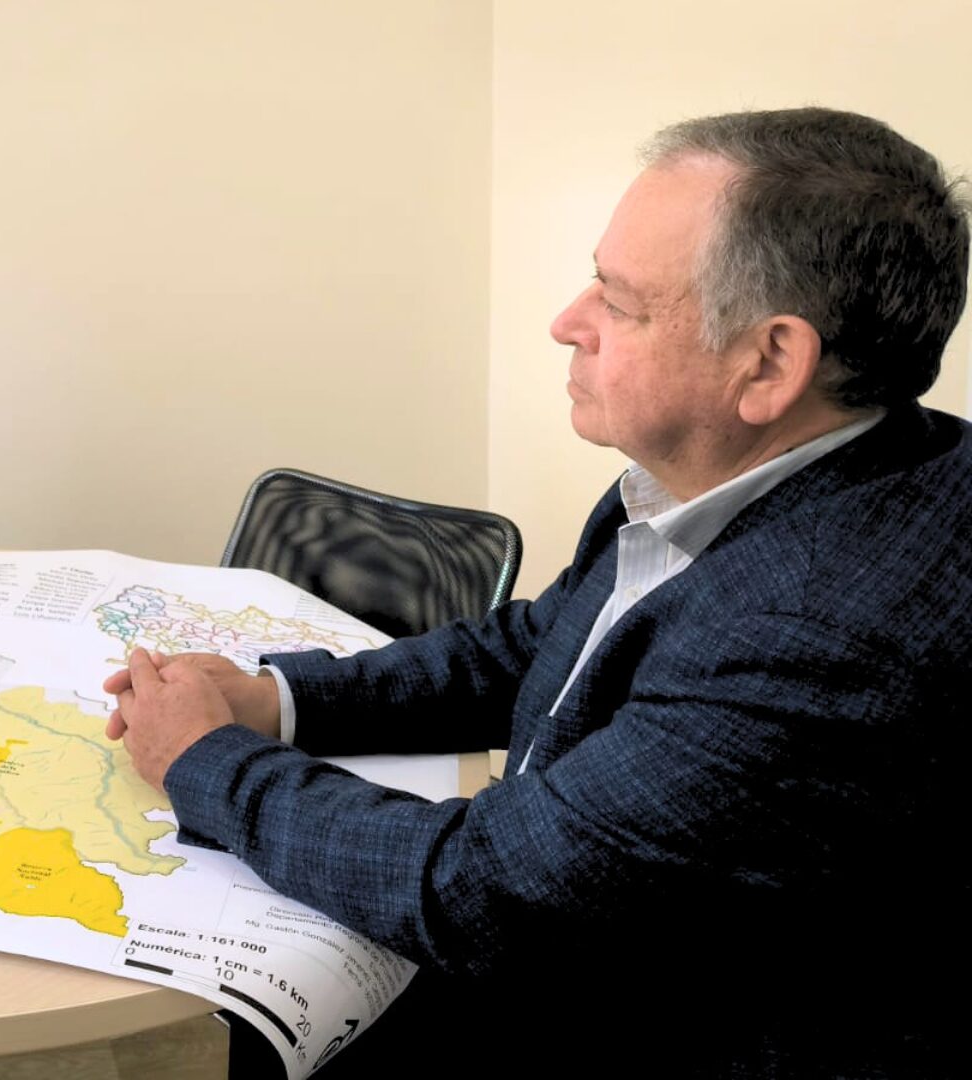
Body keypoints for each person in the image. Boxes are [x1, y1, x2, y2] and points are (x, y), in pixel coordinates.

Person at [106, 107, 967, 1077]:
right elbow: (538, 644)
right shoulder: (757, 467)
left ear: (768, 362)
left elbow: (485, 892)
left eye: (620, 302)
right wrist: (283, 699)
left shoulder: (816, 637)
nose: (568, 322)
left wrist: (205, 760)